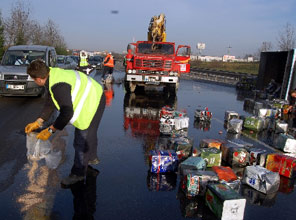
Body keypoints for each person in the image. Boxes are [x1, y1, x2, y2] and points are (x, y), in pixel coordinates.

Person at [25, 59, 106, 186]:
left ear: (39, 79)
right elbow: (51, 101)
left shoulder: (58, 85)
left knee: (81, 139)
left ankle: (78, 174)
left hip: (94, 99)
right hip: (94, 93)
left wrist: (51, 130)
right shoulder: (52, 75)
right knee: (90, 132)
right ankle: (91, 158)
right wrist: (39, 121)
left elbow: (67, 113)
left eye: (33, 79)